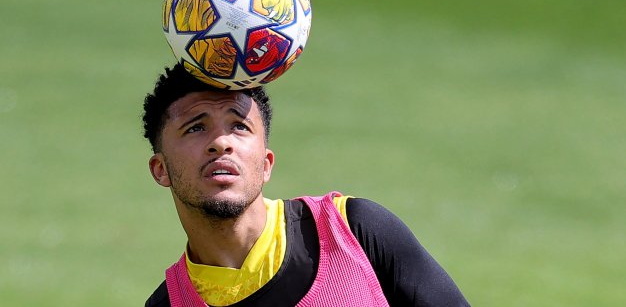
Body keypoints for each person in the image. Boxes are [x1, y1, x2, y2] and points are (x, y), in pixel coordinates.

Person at [143, 63, 470, 307]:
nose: (221, 143)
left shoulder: (355, 232)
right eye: (196, 128)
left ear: (266, 163)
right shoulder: (166, 304)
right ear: (161, 170)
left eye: (240, 126)